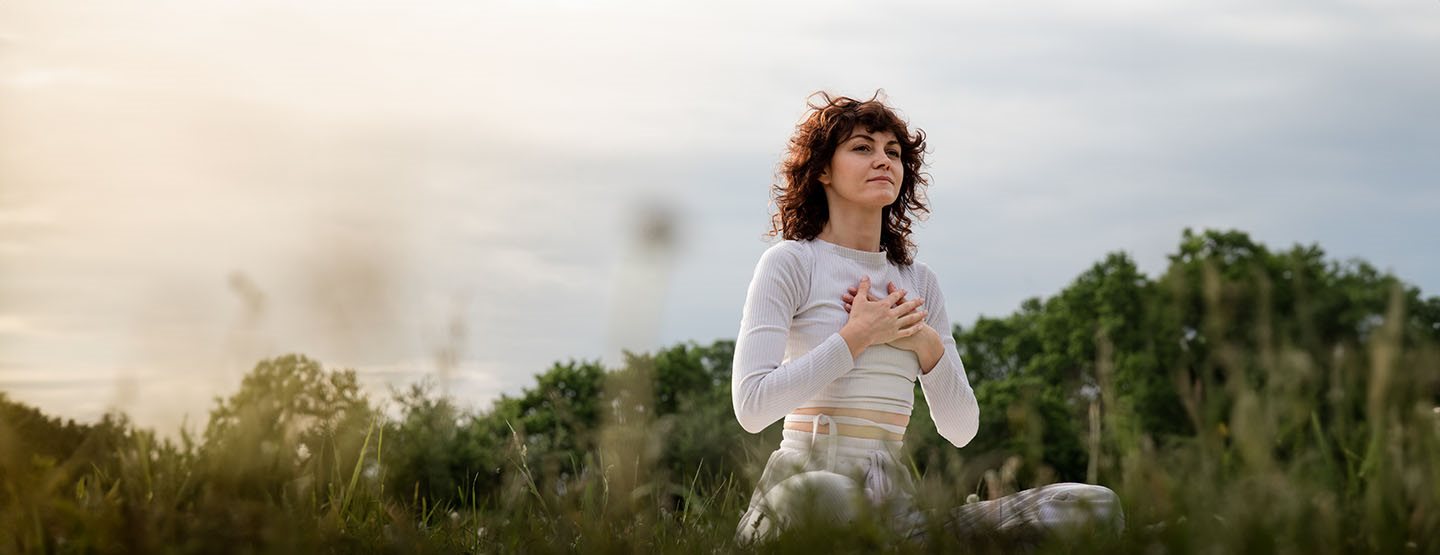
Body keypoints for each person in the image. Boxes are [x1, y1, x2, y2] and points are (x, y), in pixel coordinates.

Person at [731, 91, 1124, 545]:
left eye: (893, 152)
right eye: (863, 148)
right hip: (802, 495)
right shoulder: (791, 263)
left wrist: (927, 347)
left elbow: (961, 431)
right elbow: (752, 407)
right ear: (822, 169)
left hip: (897, 510)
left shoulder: (920, 282)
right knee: (827, 495)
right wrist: (855, 337)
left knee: (1091, 504)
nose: (883, 160)